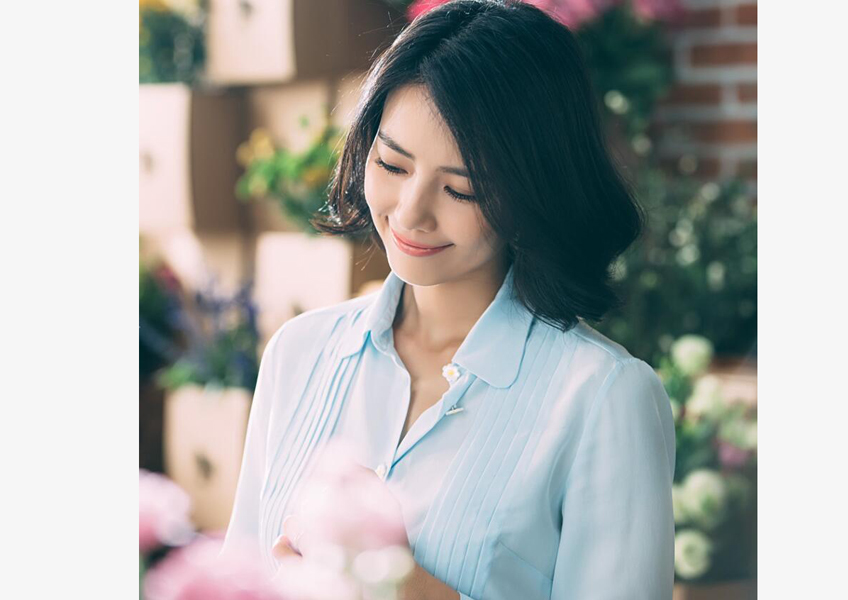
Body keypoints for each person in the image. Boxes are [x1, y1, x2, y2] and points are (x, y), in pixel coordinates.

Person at [221, 1, 676, 598]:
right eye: (391, 163)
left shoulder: (603, 398)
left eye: (461, 189)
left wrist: (414, 589)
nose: (411, 215)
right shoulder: (299, 353)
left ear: (533, 192)